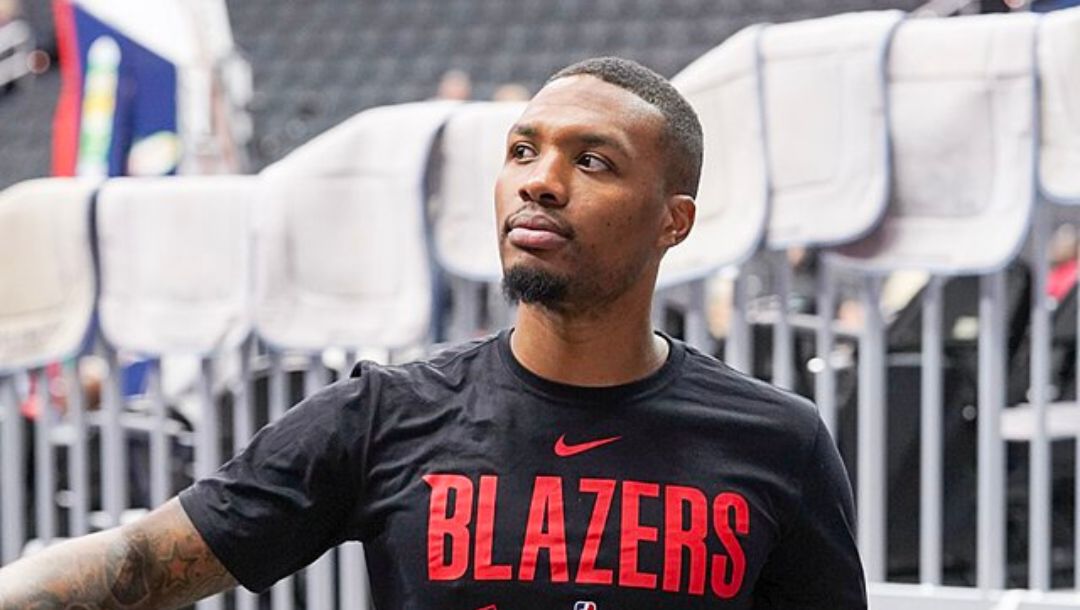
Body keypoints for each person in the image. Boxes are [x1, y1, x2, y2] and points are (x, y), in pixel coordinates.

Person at [0, 57, 864, 609]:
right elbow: (139, 566)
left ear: (674, 221)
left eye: (592, 161)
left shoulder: (777, 442)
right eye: (522, 151)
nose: (540, 182)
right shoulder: (380, 417)